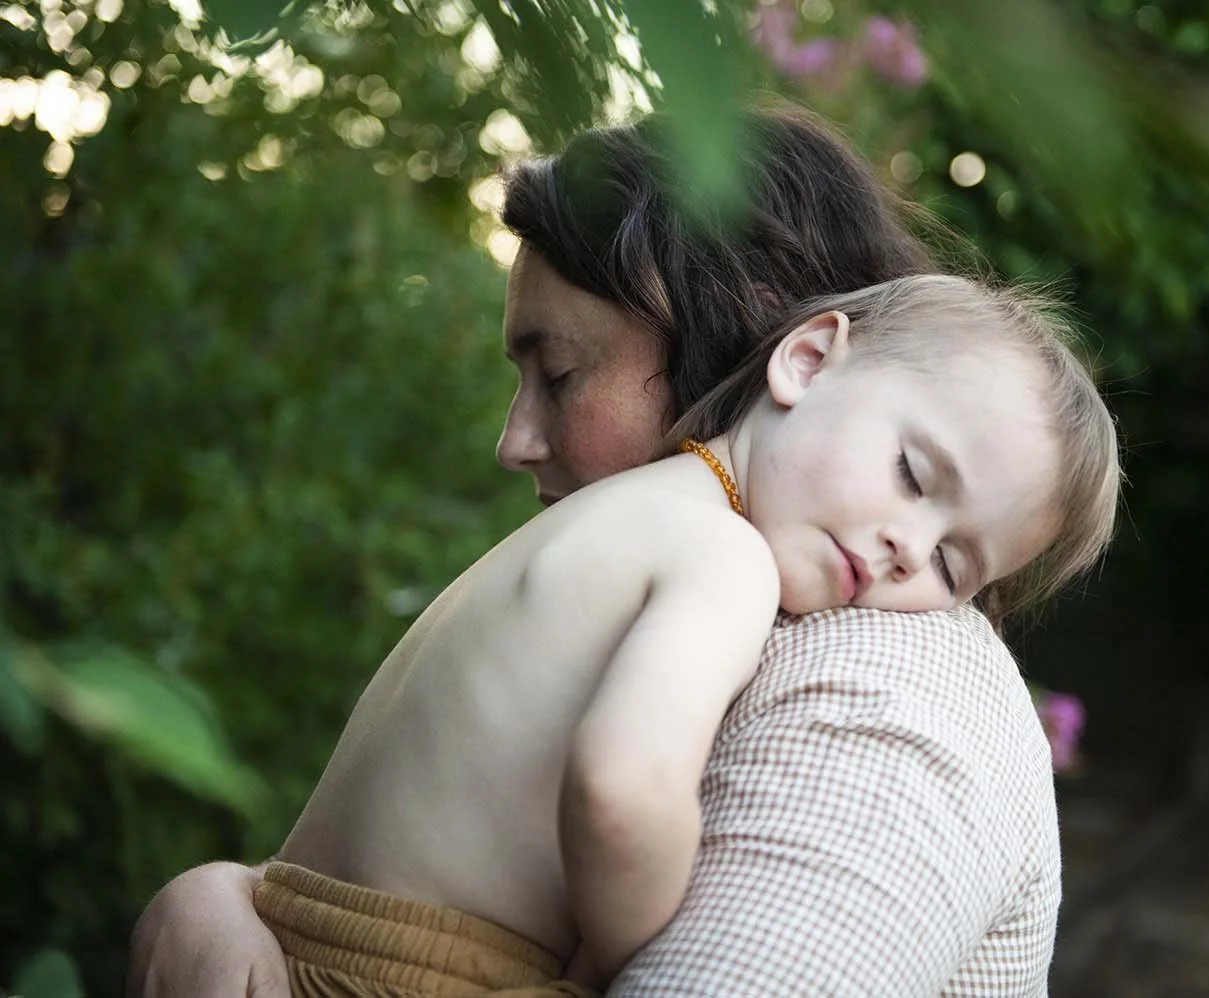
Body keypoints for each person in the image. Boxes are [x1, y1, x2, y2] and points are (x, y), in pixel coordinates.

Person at [129, 105, 1107, 998]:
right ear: (804, 357)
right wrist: (605, 959)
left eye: (956, 567)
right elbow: (621, 789)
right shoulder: (718, 556)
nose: (909, 551)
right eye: (907, 472)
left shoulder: (877, 673)